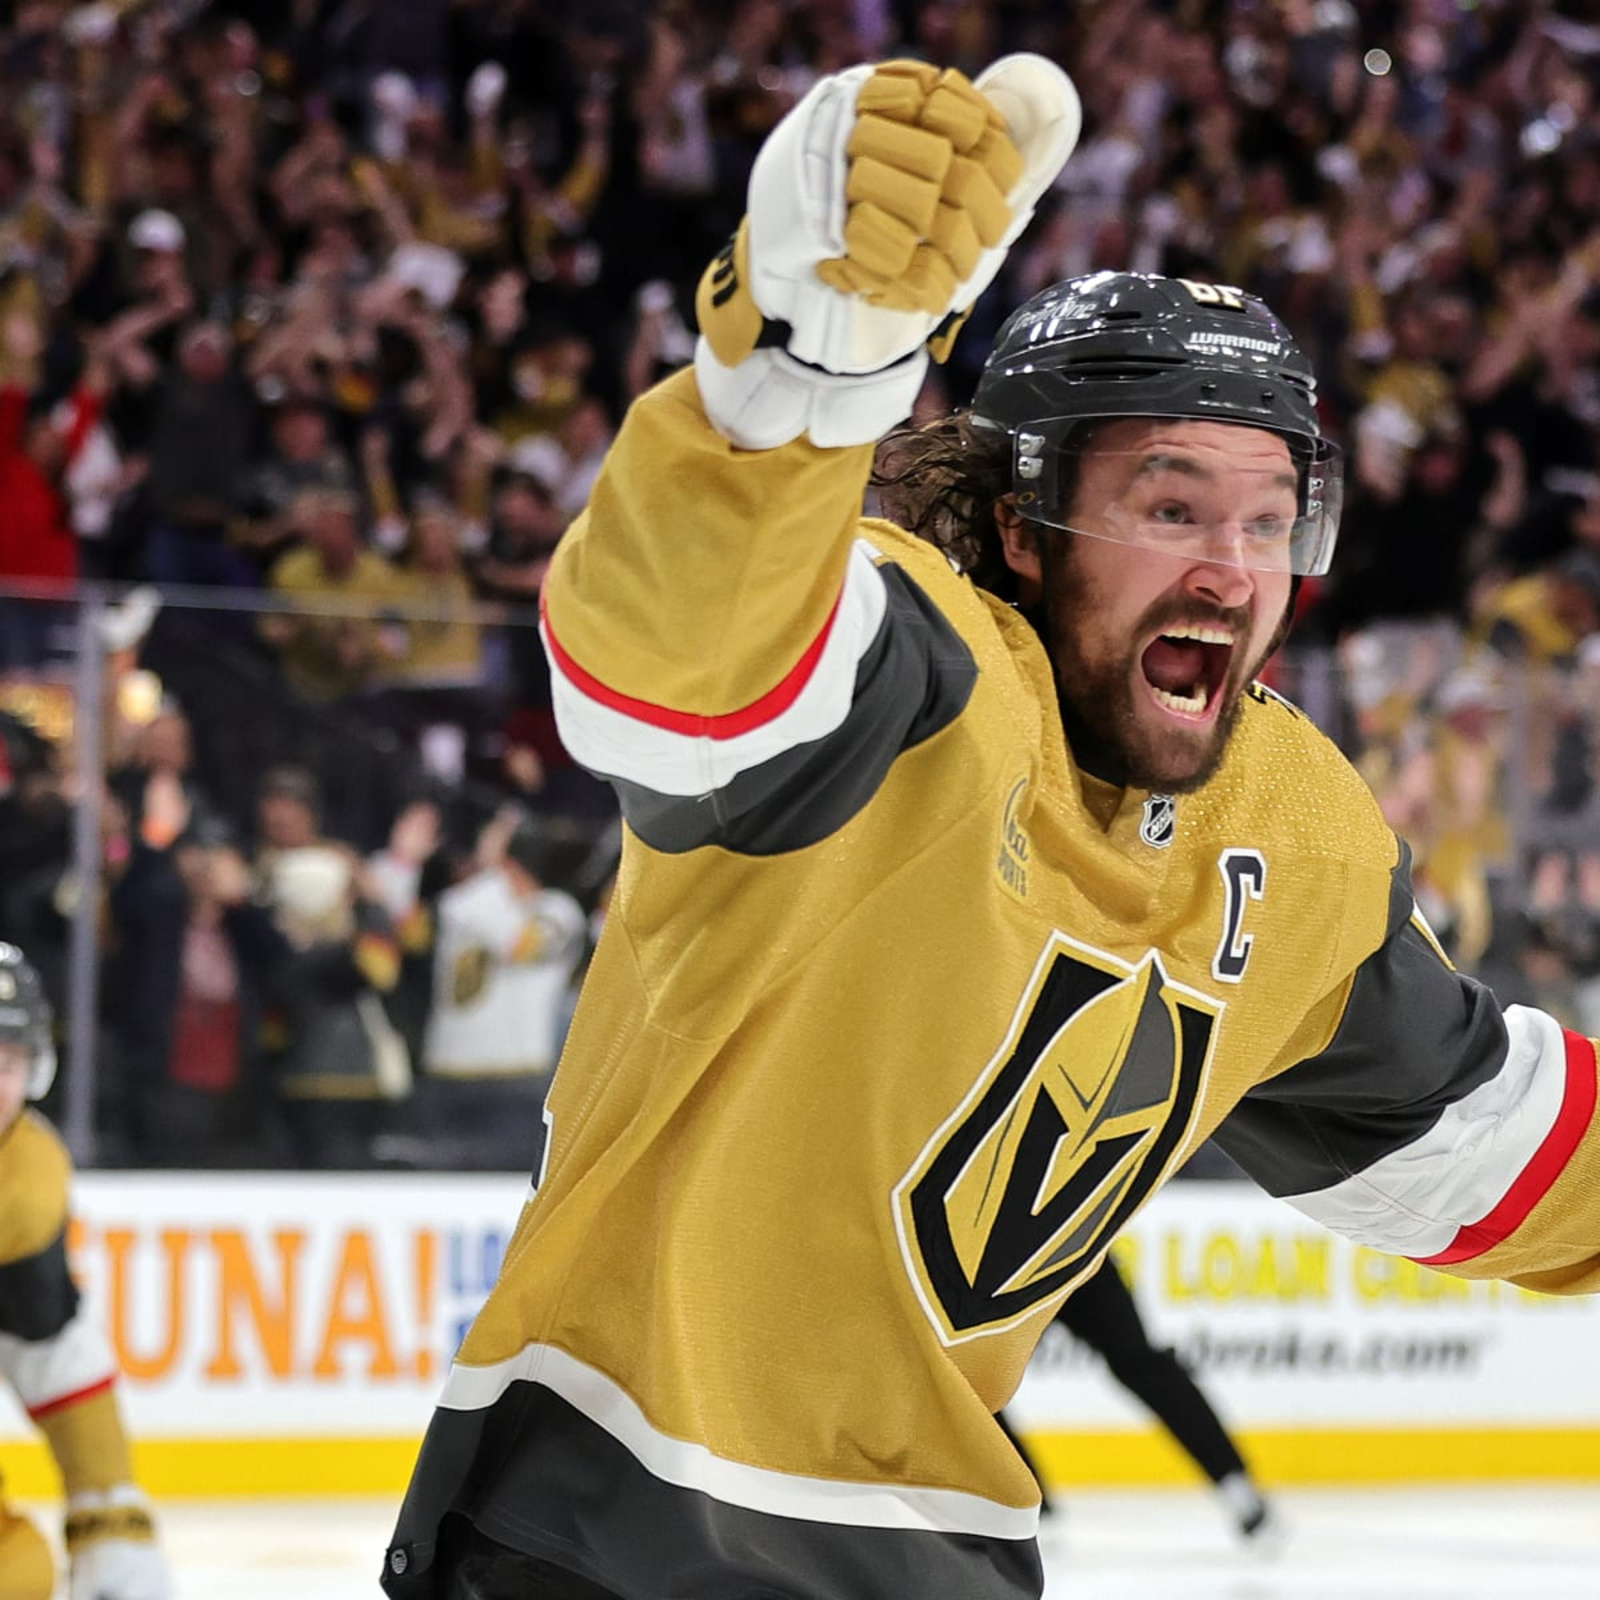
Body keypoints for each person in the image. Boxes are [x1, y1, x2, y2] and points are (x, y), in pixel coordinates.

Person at [384, 54, 1600, 1600]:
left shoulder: (1295, 833)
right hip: (609, 1532)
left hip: (949, 1553)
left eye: (1270, 514)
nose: (1234, 568)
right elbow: (671, 673)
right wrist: (792, 393)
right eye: (1170, 507)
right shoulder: (919, 664)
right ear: (1021, 527)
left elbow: (1493, 1146)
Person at [0, 944, 173, 1600]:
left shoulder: (25, 1179)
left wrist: (109, 1519)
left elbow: (47, 1343)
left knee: (18, 1572)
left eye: (8, 1062)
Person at [995, 1257, 1274, 1539]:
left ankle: (1234, 1480)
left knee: (1137, 1360)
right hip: (999, 1268)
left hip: (1072, 1253)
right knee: (968, 1378)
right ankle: (1024, 1502)